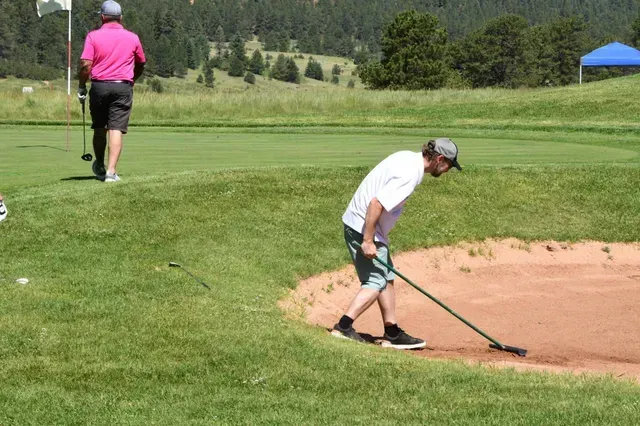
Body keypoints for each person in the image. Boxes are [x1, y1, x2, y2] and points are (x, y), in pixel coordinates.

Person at [332, 138, 462, 349]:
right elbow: (376, 203)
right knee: (375, 282)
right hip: (363, 228)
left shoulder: (408, 159)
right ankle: (344, 327)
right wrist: (367, 240)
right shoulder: (409, 174)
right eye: (449, 164)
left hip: (368, 228)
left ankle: (392, 332)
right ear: (439, 159)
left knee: (387, 276)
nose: (448, 170)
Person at [77, 1, 146, 183]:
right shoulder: (133, 37)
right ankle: (111, 171)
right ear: (121, 17)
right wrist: (132, 80)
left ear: (102, 16)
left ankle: (99, 163)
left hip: (99, 86)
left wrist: (82, 85)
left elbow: (86, 65)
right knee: (116, 128)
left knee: (100, 128)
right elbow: (141, 64)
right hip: (122, 86)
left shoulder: (93, 36)